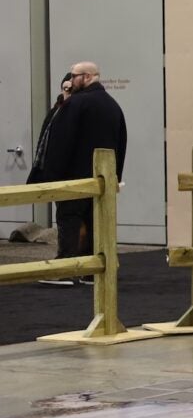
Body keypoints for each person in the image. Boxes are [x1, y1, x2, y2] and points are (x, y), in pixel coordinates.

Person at [36, 62, 127, 287]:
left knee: (69, 219)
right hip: (101, 177)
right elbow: (122, 142)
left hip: (73, 177)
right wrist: (115, 175)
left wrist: (52, 176)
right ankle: (91, 272)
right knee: (94, 221)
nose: (69, 80)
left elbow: (57, 137)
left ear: (86, 77)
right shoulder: (113, 105)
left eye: (73, 76)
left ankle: (65, 269)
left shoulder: (75, 104)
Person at [25, 73, 75, 186]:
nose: (68, 92)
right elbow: (42, 142)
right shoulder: (56, 111)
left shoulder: (77, 109)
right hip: (57, 170)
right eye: (65, 89)